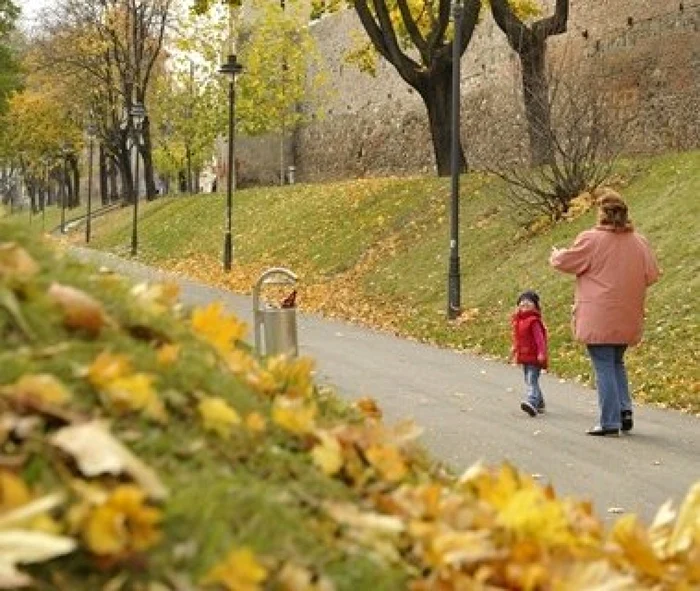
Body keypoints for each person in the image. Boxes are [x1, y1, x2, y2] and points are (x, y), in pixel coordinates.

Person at [550, 190, 660, 436]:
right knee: (617, 362)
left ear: (602, 214)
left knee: (603, 366)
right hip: (628, 313)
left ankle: (609, 421)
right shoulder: (639, 242)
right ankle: (624, 410)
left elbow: (565, 262)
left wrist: (556, 253)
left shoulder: (591, 239)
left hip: (598, 314)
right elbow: (652, 274)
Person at [511, 290, 548, 417]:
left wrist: (542, 352)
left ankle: (532, 401)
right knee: (530, 379)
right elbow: (518, 338)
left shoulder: (534, 321)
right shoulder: (518, 321)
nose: (524, 303)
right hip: (524, 356)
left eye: (529, 302)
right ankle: (540, 403)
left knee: (531, 379)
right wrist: (514, 349)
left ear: (535, 306)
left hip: (534, 356)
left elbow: (540, 339)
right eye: (522, 302)